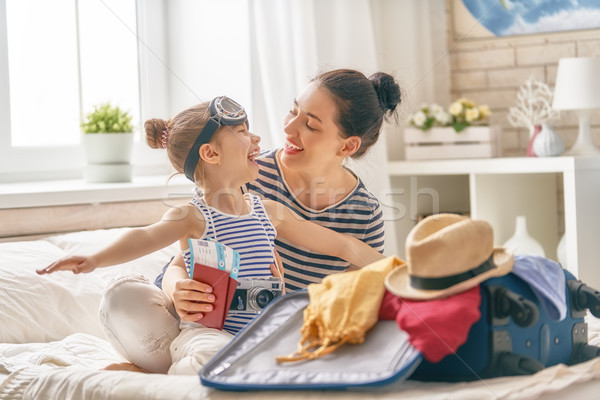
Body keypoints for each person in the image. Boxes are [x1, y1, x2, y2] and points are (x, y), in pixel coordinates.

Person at [36, 95, 386, 375]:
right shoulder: (193, 216)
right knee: (209, 355)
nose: (257, 139)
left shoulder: (267, 209)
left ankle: (159, 370)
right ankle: (167, 375)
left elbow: (341, 244)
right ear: (210, 153)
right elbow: (145, 237)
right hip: (210, 331)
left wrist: (401, 268)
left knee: (302, 351)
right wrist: (94, 259)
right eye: (243, 132)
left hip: (263, 329)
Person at [160, 69, 402, 325]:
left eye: (310, 125)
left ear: (347, 146)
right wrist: (176, 288)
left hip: (287, 327)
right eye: (293, 111)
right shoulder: (244, 174)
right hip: (211, 317)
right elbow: (181, 264)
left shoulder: (365, 214)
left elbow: (349, 302)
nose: (288, 127)